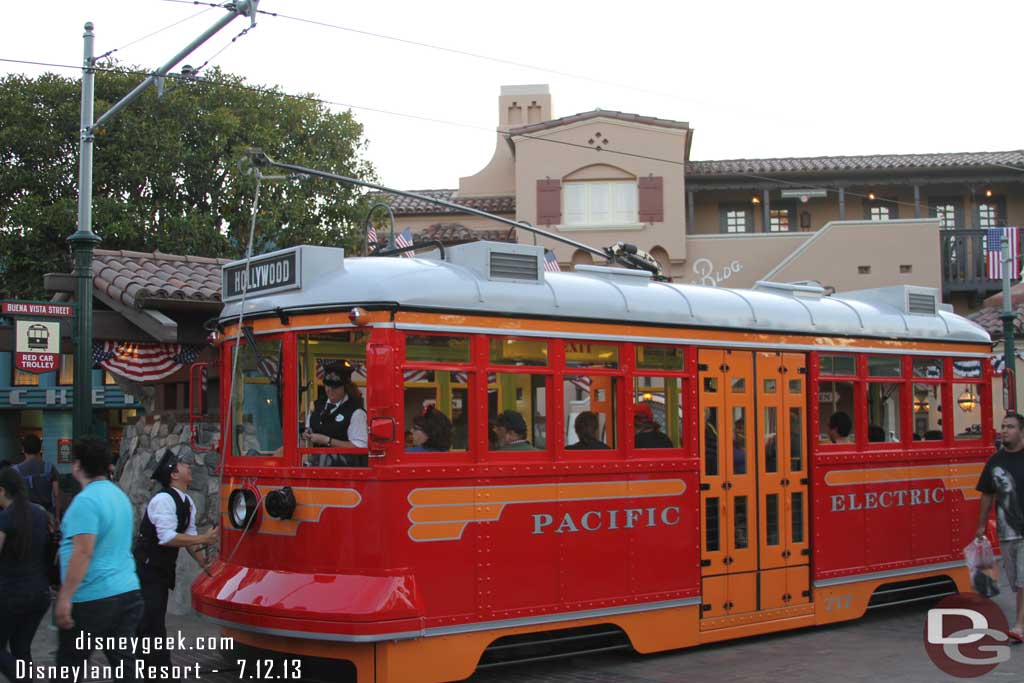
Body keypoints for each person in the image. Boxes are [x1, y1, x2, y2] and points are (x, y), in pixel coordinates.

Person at [56, 435, 143, 679]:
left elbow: (83, 551)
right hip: (127, 592)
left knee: (68, 667)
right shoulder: (120, 497)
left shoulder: (85, 502)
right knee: (124, 666)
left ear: (77, 465)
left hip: (92, 596)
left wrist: (65, 597)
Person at [134, 450, 217, 672]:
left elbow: (188, 537)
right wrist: (205, 538)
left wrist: (203, 563)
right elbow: (168, 537)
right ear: (173, 475)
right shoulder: (163, 499)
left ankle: (146, 670)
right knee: (151, 622)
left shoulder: (187, 502)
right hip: (147, 568)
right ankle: (158, 672)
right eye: (181, 464)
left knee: (151, 621)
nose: (187, 466)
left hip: (161, 570)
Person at [0, 468, 51, 682]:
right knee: (21, 649)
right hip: (39, 593)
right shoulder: (39, 513)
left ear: (2, 490)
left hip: (12, 594)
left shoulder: (6, 517)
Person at [976, 413, 1024, 642]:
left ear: (1021, 431)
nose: (1005, 430)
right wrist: (981, 525)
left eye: (1011, 427)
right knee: (1015, 581)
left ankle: (1019, 625)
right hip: (1007, 532)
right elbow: (987, 494)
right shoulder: (995, 461)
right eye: (1003, 426)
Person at [303, 361, 367, 466]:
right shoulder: (317, 407)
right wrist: (306, 435)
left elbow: (359, 447)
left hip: (344, 470)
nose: (330, 390)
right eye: (327, 385)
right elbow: (308, 437)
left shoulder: (356, 412)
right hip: (316, 467)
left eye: (335, 387)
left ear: (345, 387)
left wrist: (328, 441)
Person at [13, 434, 60, 518]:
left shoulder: (15, 470)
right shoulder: (49, 467)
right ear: (40, 449)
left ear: (23, 449)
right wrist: (57, 517)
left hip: (24, 516)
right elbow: (56, 495)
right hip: (46, 515)